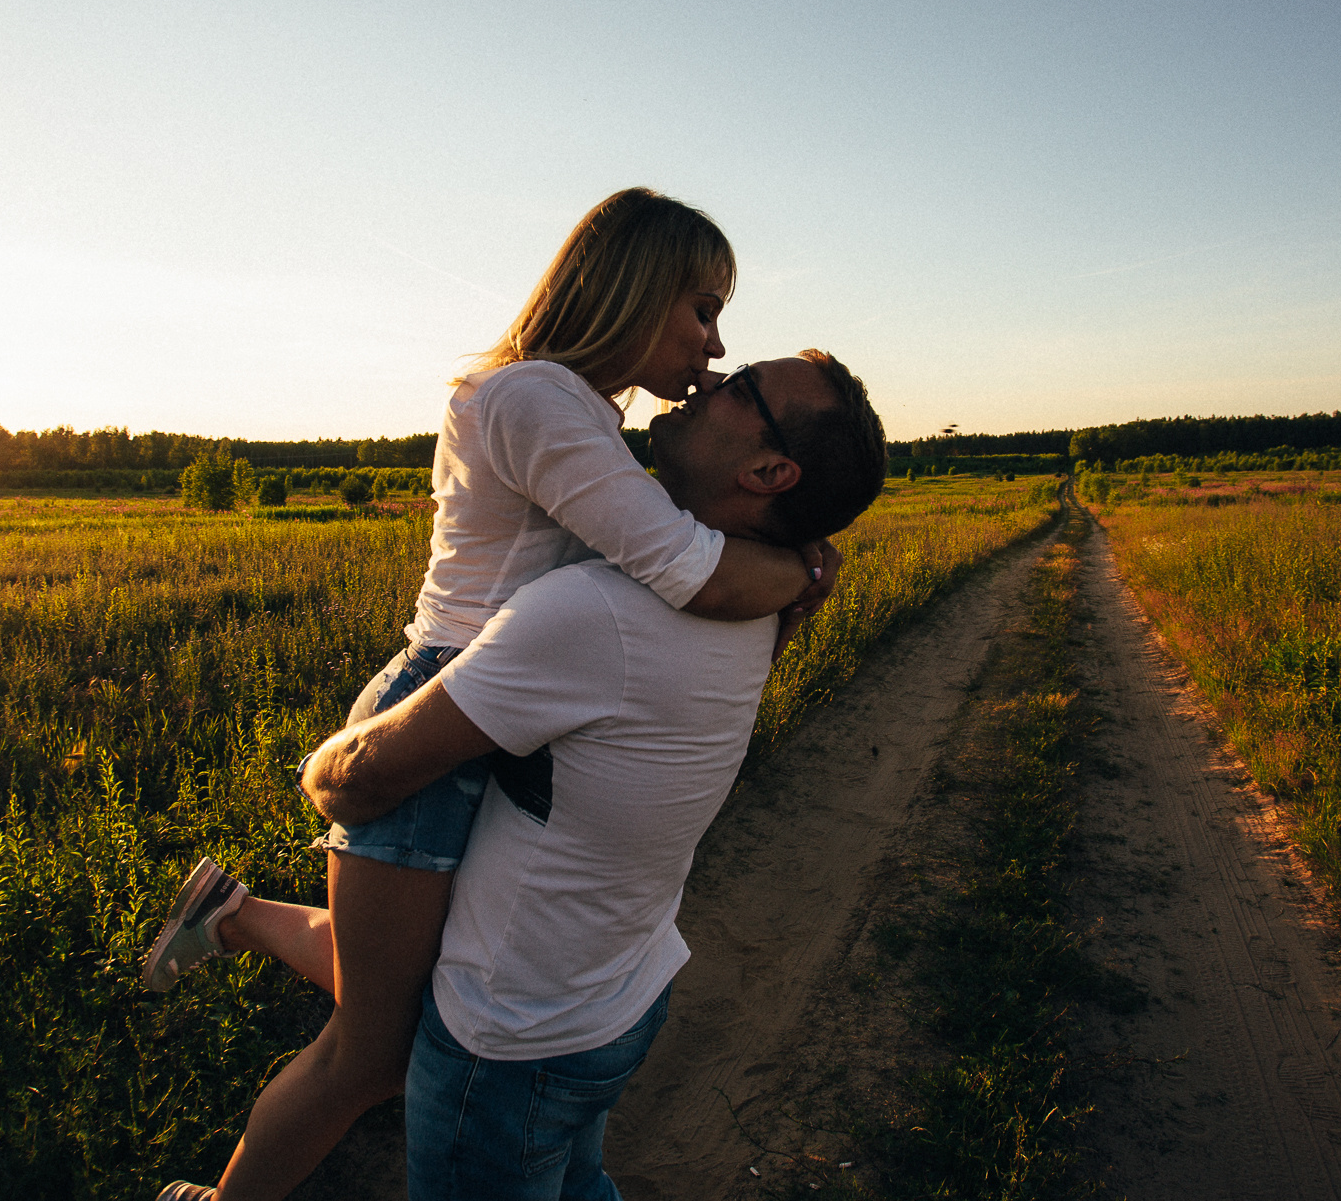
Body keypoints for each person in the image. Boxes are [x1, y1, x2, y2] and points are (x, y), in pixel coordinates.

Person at [141, 190, 840, 1201]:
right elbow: (682, 564)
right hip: (445, 706)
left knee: (419, 980)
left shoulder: (576, 409)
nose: (714, 341)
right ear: (634, 287)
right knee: (371, 1054)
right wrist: (804, 574)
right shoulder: (535, 401)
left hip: (499, 706)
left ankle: (231, 912)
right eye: (701, 306)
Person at [302, 349, 887, 1199]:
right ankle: (237, 918)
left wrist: (316, 766)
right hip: (617, 994)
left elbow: (356, 782)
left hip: (510, 1038)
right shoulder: (763, 603)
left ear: (769, 470)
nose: (706, 380)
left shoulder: (596, 612)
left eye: (740, 386)